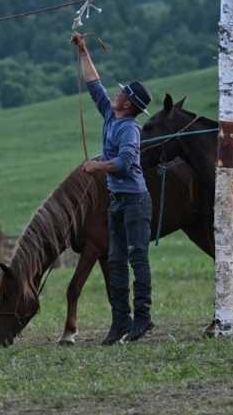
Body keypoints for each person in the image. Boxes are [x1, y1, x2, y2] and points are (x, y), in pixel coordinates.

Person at [71, 31, 154, 344]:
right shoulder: (110, 114)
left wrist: (96, 166)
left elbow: (123, 163)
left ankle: (143, 318)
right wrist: (83, 50)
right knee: (116, 260)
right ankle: (121, 322)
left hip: (135, 201)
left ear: (128, 103)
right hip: (118, 201)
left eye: (122, 93)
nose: (115, 94)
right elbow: (94, 84)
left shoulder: (130, 130)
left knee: (136, 257)